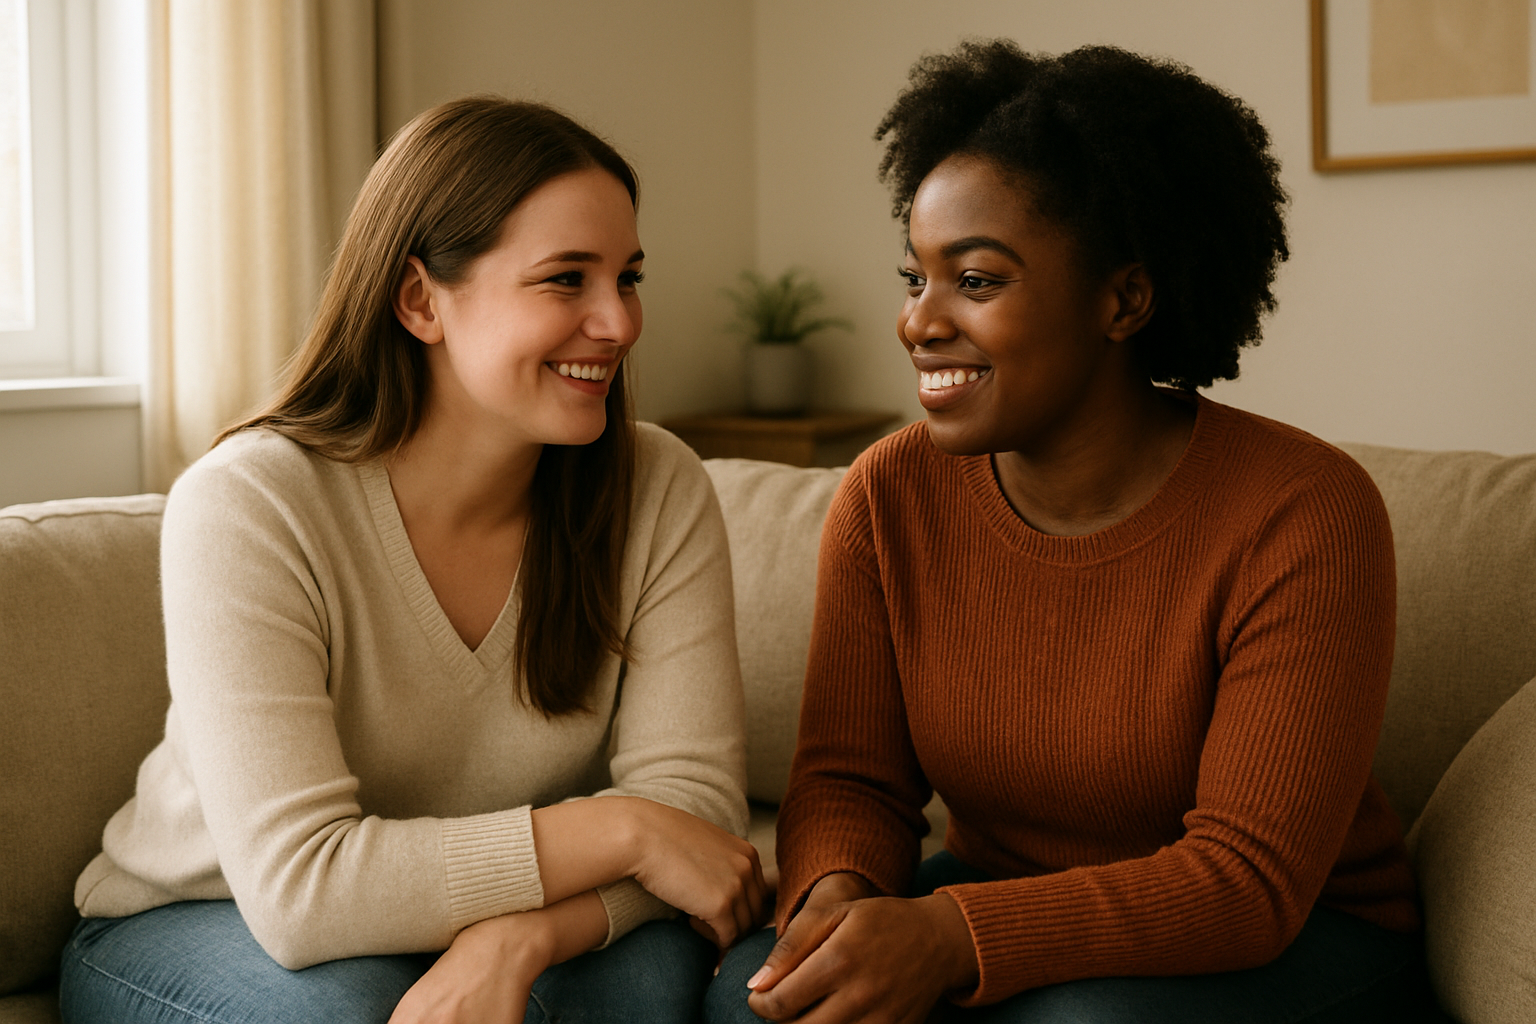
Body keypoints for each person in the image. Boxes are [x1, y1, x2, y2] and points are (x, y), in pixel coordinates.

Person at [707, 41, 1442, 1023]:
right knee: (749, 998)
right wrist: (835, 900)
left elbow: (1245, 878)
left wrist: (954, 936)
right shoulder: (889, 494)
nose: (919, 321)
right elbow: (850, 779)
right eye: (915, 276)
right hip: (996, 892)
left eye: (975, 280)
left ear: (1124, 298)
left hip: (1301, 934)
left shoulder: (1302, 510)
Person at [59, 97, 764, 1024]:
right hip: (208, 918)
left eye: (627, 278)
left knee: (694, 983)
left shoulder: (657, 486)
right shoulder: (251, 502)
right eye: (566, 279)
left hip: (519, 912)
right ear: (421, 300)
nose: (620, 323)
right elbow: (303, 892)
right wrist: (622, 827)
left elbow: (697, 821)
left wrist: (530, 936)